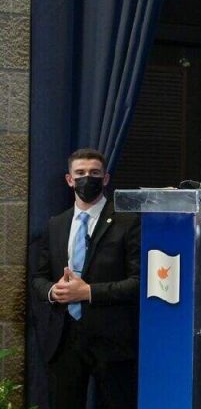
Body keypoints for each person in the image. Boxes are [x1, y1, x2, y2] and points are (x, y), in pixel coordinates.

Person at [31, 148, 140, 409]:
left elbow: (138, 282)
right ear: (69, 179)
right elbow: (38, 277)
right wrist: (52, 291)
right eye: (80, 173)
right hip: (64, 339)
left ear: (105, 179)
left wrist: (88, 292)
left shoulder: (129, 222)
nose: (86, 178)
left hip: (111, 342)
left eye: (94, 173)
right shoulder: (56, 223)